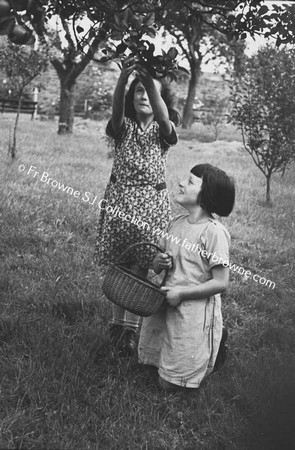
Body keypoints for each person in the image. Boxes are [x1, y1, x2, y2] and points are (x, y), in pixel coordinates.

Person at [94, 56, 180, 356]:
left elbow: (162, 113)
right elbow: (117, 109)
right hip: (120, 203)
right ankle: (117, 325)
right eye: (138, 93)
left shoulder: (163, 130)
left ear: (160, 99)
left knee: (142, 266)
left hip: (151, 207)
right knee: (121, 264)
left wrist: (148, 80)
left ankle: (130, 330)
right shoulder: (124, 126)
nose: (143, 97)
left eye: (150, 92)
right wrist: (124, 80)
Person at [138, 163, 235, 391]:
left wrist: (182, 293)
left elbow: (221, 282)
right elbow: (157, 264)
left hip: (192, 308)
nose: (181, 182)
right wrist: (158, 262)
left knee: (170, 385)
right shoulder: (176, 224)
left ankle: (215, 346)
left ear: (206, 195)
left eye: (190, 181)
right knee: (154, 364)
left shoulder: (213, 233)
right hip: (167, 301)